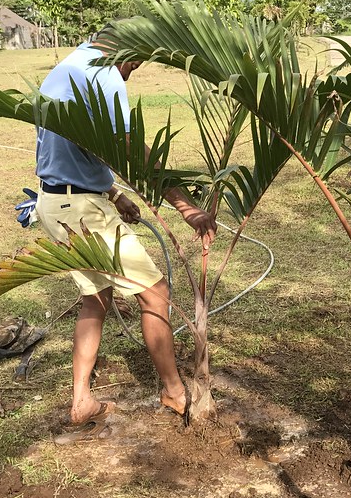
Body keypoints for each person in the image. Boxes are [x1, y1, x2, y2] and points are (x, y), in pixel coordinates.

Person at [34, 37, 216, 433]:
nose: (130, 74)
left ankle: (82, 400)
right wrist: (185, 206)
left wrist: (114, 193)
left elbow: (81, 145)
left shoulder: (69, 66)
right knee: (156, 293)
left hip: (55, 202)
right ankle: (174, 391)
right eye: (134, 67)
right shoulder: (104, 74)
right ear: (128, 52)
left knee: (95, 299)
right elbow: (127, 147)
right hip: (82, 210)